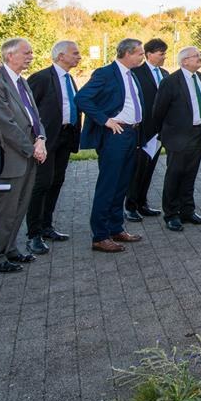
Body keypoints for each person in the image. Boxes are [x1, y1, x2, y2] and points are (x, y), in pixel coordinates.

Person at [76, 38, 148, 252]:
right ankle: (100, 236)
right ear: (127, 53)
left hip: (131, 134)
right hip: (115, 135)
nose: (142, 57)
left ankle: (116, 228)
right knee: (108, 185)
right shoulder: (105, 73)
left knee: (122, 184)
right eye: (140, 53)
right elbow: (82, 98)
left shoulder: (131, 74)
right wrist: (105, 120)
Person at [0, 37, 47, 272]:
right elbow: (6, 123)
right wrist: (31, 148)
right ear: (9, 56)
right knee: (5, 209)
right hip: (12, 155)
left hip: (30, 152)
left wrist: (41, 139)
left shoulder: (22, 81)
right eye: (26, 53)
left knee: (20, 205)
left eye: (31, 52)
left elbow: (34, 116)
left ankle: (10, 249)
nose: (31, 56)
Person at [148, 45, 201, 231]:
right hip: (178, 136)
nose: (200, 58)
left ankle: (188, 211)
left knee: (190, 174)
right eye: (196, 56)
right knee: (175, 174)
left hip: (198, 133)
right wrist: (166, 134)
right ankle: (171, 214)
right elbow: (158, 111)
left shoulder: (199, 77)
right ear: (185, 61)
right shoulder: (171, 82)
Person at [25, 40, 82, 254]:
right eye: (75, 53)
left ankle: (47, 226)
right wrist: (36, 139)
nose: (79, 57)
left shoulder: (70, 79)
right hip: (46, 139)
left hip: (66, 136)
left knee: (57, 181)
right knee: (41, 184)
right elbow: (28, 110)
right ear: (60, 56)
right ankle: (33, 234)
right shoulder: (41, 78)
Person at [125, 38, 168, 221]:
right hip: (143, 130)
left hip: (160, 131)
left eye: (165, 53)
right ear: (149, 54)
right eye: (161, 54)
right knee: (137, 170)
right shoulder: (136, 72)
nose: (164, 57)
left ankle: (143, 203)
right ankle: (130, 206)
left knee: (149, 169)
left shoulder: (166, 74)